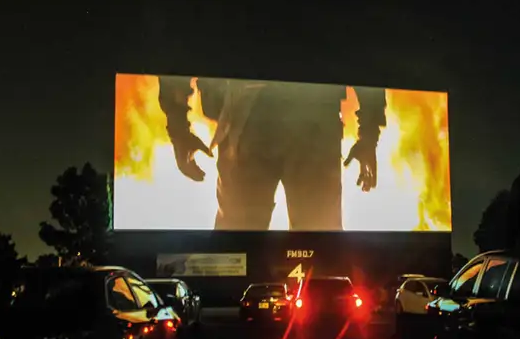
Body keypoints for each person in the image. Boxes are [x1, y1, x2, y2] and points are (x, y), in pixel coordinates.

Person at [156, 76, 387, 231]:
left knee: (238, 245)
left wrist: (178, 127)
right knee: (317, 245)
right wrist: (368, 135)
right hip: (307, 123)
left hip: (251, 121)